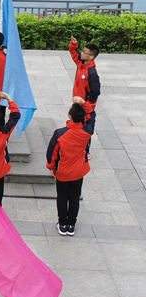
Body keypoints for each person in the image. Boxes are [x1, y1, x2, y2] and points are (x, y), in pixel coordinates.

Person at [46, 99, 95, 235]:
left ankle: (62, 224)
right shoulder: (86, 132)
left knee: (62, 197)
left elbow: (52, 152)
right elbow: (92, 117)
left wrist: (51, 166)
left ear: (70, 116)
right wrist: (85, 104)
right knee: (74, 197)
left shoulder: (60, 133)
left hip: (63, 171)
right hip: (79, 171)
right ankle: (71, 225)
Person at [69, 37, 101, 116]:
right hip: (77, 102)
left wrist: (86, 105)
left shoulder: (92, 73)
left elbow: (95, 92)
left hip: (84, 108)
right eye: (82, 51)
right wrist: (74, 44)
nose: (82, 54)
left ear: (91, 57)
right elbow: (74, 54)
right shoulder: (81, 63)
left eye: (84, 53)